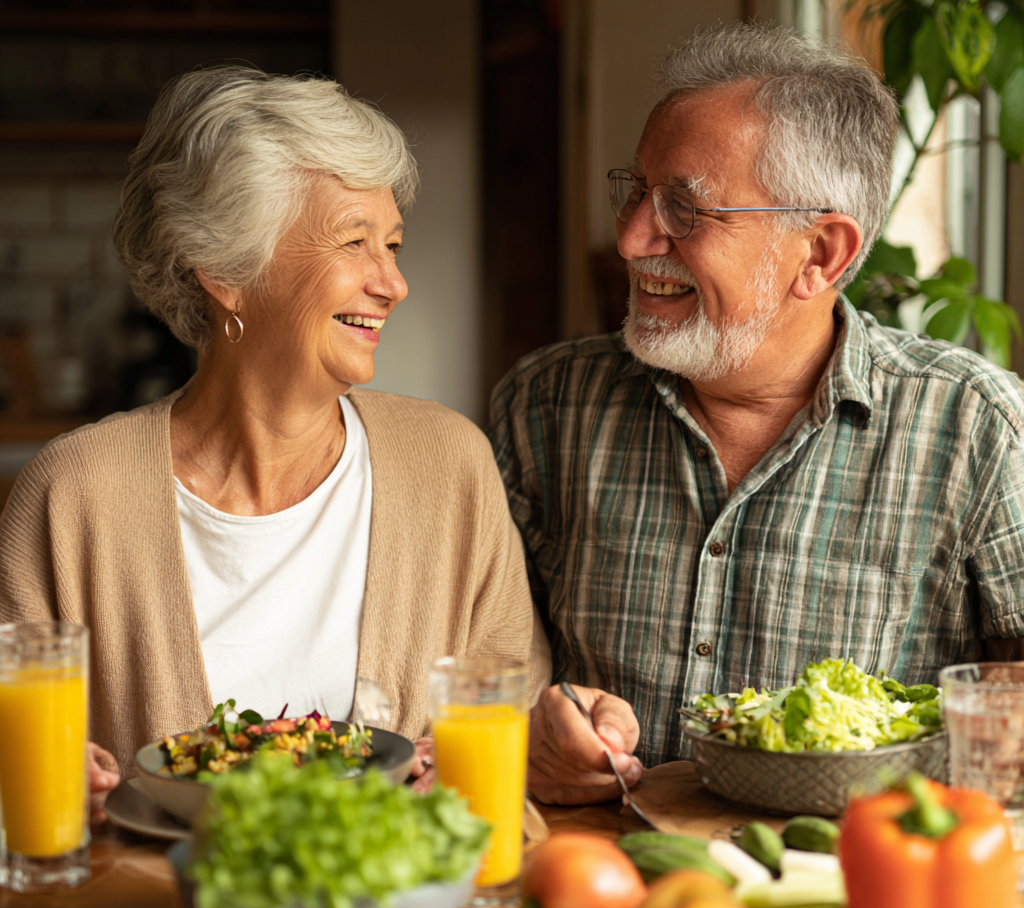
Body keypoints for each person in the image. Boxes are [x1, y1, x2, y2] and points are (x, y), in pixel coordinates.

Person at [491, 23, 1024, 804]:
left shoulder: (977, 429)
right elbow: (479, 669)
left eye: (684, 207)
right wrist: (533, 729)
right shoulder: (546, 406)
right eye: (636, 191)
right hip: (598, 877)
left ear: (821, 255)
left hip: (853, 890)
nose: (634, 237)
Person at [0, 67, 547, 820]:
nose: (393, 283)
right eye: (355, 243)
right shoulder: (73, 494)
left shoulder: (449, 464)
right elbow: (17, 761)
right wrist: (57, 782)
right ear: (226, 271)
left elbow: (516, 715)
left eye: (392, 244)